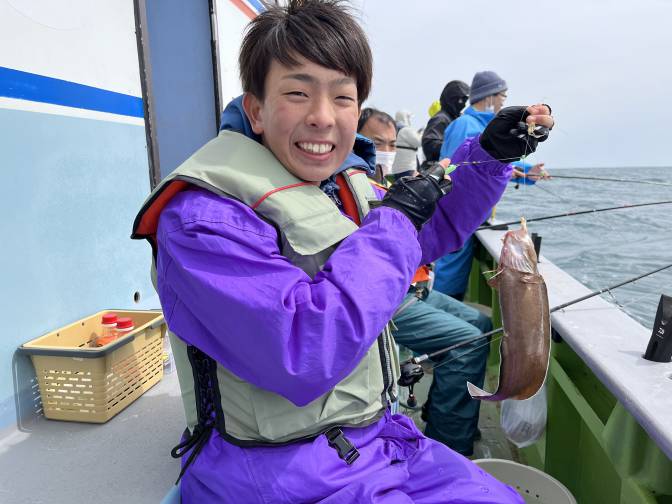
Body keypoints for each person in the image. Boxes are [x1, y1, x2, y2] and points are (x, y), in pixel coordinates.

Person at [131, 1, 553, 501]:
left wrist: (489, 156)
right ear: (256, 110)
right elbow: (300, 351)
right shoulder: (203, 221)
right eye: (297, 93)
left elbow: (426, 231)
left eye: (343, 97)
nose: (322, 117)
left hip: (378, 439)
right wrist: (395, 219)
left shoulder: (338, 185)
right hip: (278, 472)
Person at [421, 80, 470, 162]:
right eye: (461, 100)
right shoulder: (441, 118)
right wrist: (454, 147)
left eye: (465, 101)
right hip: (438, 166)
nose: (464, 105)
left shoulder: (455, 118)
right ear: (451, 99)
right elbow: (429, 143)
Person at [357, 108, 397, 183]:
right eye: (377, 143)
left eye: (392, 145)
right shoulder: (342, 182)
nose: (386, 151)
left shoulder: (389, 186)